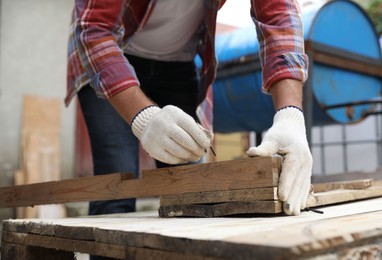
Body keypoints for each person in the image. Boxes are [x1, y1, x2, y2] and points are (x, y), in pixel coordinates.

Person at [66, 0, 312, 221]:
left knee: (192, 191)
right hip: (109, 56)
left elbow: (278, 15)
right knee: (116, 186)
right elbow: (94, 28)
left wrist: (290, 114)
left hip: (179, 63)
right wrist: (143, 117)